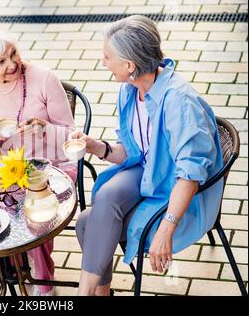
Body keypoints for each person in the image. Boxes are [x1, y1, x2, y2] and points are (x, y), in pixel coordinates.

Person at [72, 15, 224, 296]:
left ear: (129, 65)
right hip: (148, 173)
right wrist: (96, 146)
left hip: (180, 194)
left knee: (88, 222)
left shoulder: (180, 102)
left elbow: (189, 176)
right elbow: (133, 152)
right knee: (95, 211)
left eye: (107, 57)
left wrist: (167, 228)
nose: (103, 63)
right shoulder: (130, 92)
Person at [0, 27, 76, 296]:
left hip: (52, 166)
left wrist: (45, 129)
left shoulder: (44, 78)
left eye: (13, 53)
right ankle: (14, 268)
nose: (13, 63)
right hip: (5, 170)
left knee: (34, 210)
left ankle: (43, 279)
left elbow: (72, 136)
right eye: (1, 61)